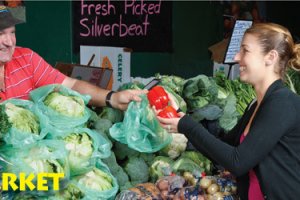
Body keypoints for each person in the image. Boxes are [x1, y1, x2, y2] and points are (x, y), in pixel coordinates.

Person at [157, 23, 300, 200]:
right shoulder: (256, 104)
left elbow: (237, 162)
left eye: (245, 50)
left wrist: (187, 125)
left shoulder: (282, 103)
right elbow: (224, 151)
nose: (236, 56)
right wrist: (180, 117)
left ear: (270, 57)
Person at [0, 6, 146, 110]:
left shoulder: (26, 59)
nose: (9, 42)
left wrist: (113, 98)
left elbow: (71, 86)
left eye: (12, 32)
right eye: (1, 34)